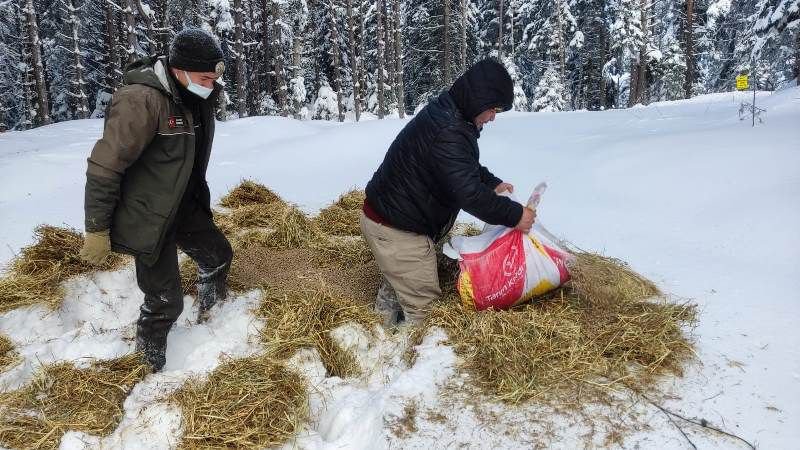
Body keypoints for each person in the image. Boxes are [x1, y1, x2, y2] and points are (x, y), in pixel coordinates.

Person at [79, 28, 233, 371]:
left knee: (219, 255)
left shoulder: (196, 96)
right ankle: (148, 363)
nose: (211, 86)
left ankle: (213, 310)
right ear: (180, 70)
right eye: (205, 78)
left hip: (183, 204)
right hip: (149, 216)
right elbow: (105, 165)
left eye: (214, 78)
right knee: (165, 301)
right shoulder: (140, 101)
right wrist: (97, 228)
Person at [360, 58, 537, 328]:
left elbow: (461, 166)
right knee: (426, 315)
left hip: (395, 220)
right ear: (479, 100)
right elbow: (469, 195)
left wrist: (492, 183)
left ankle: (380, 324)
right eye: (492, 109)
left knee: (404, 278)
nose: (493, 117)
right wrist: (516, 215)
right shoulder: (449, 130)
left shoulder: (452, 115)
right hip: (396, 231)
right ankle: (399, 358)